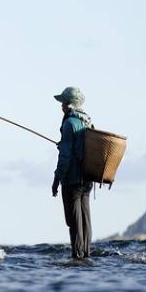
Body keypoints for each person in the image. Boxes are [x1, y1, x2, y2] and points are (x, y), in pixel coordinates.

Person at [51, 87, 94, 259]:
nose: (60, 106)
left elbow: (66, 156)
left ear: (68, 105)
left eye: (62, 102)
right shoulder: (87, 121)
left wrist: (56, 179)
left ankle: (77, 257)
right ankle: (87, 255)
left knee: (74, 222)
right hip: (87, 179)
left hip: (73, 180)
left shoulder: (69, 124)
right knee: (85, 219)